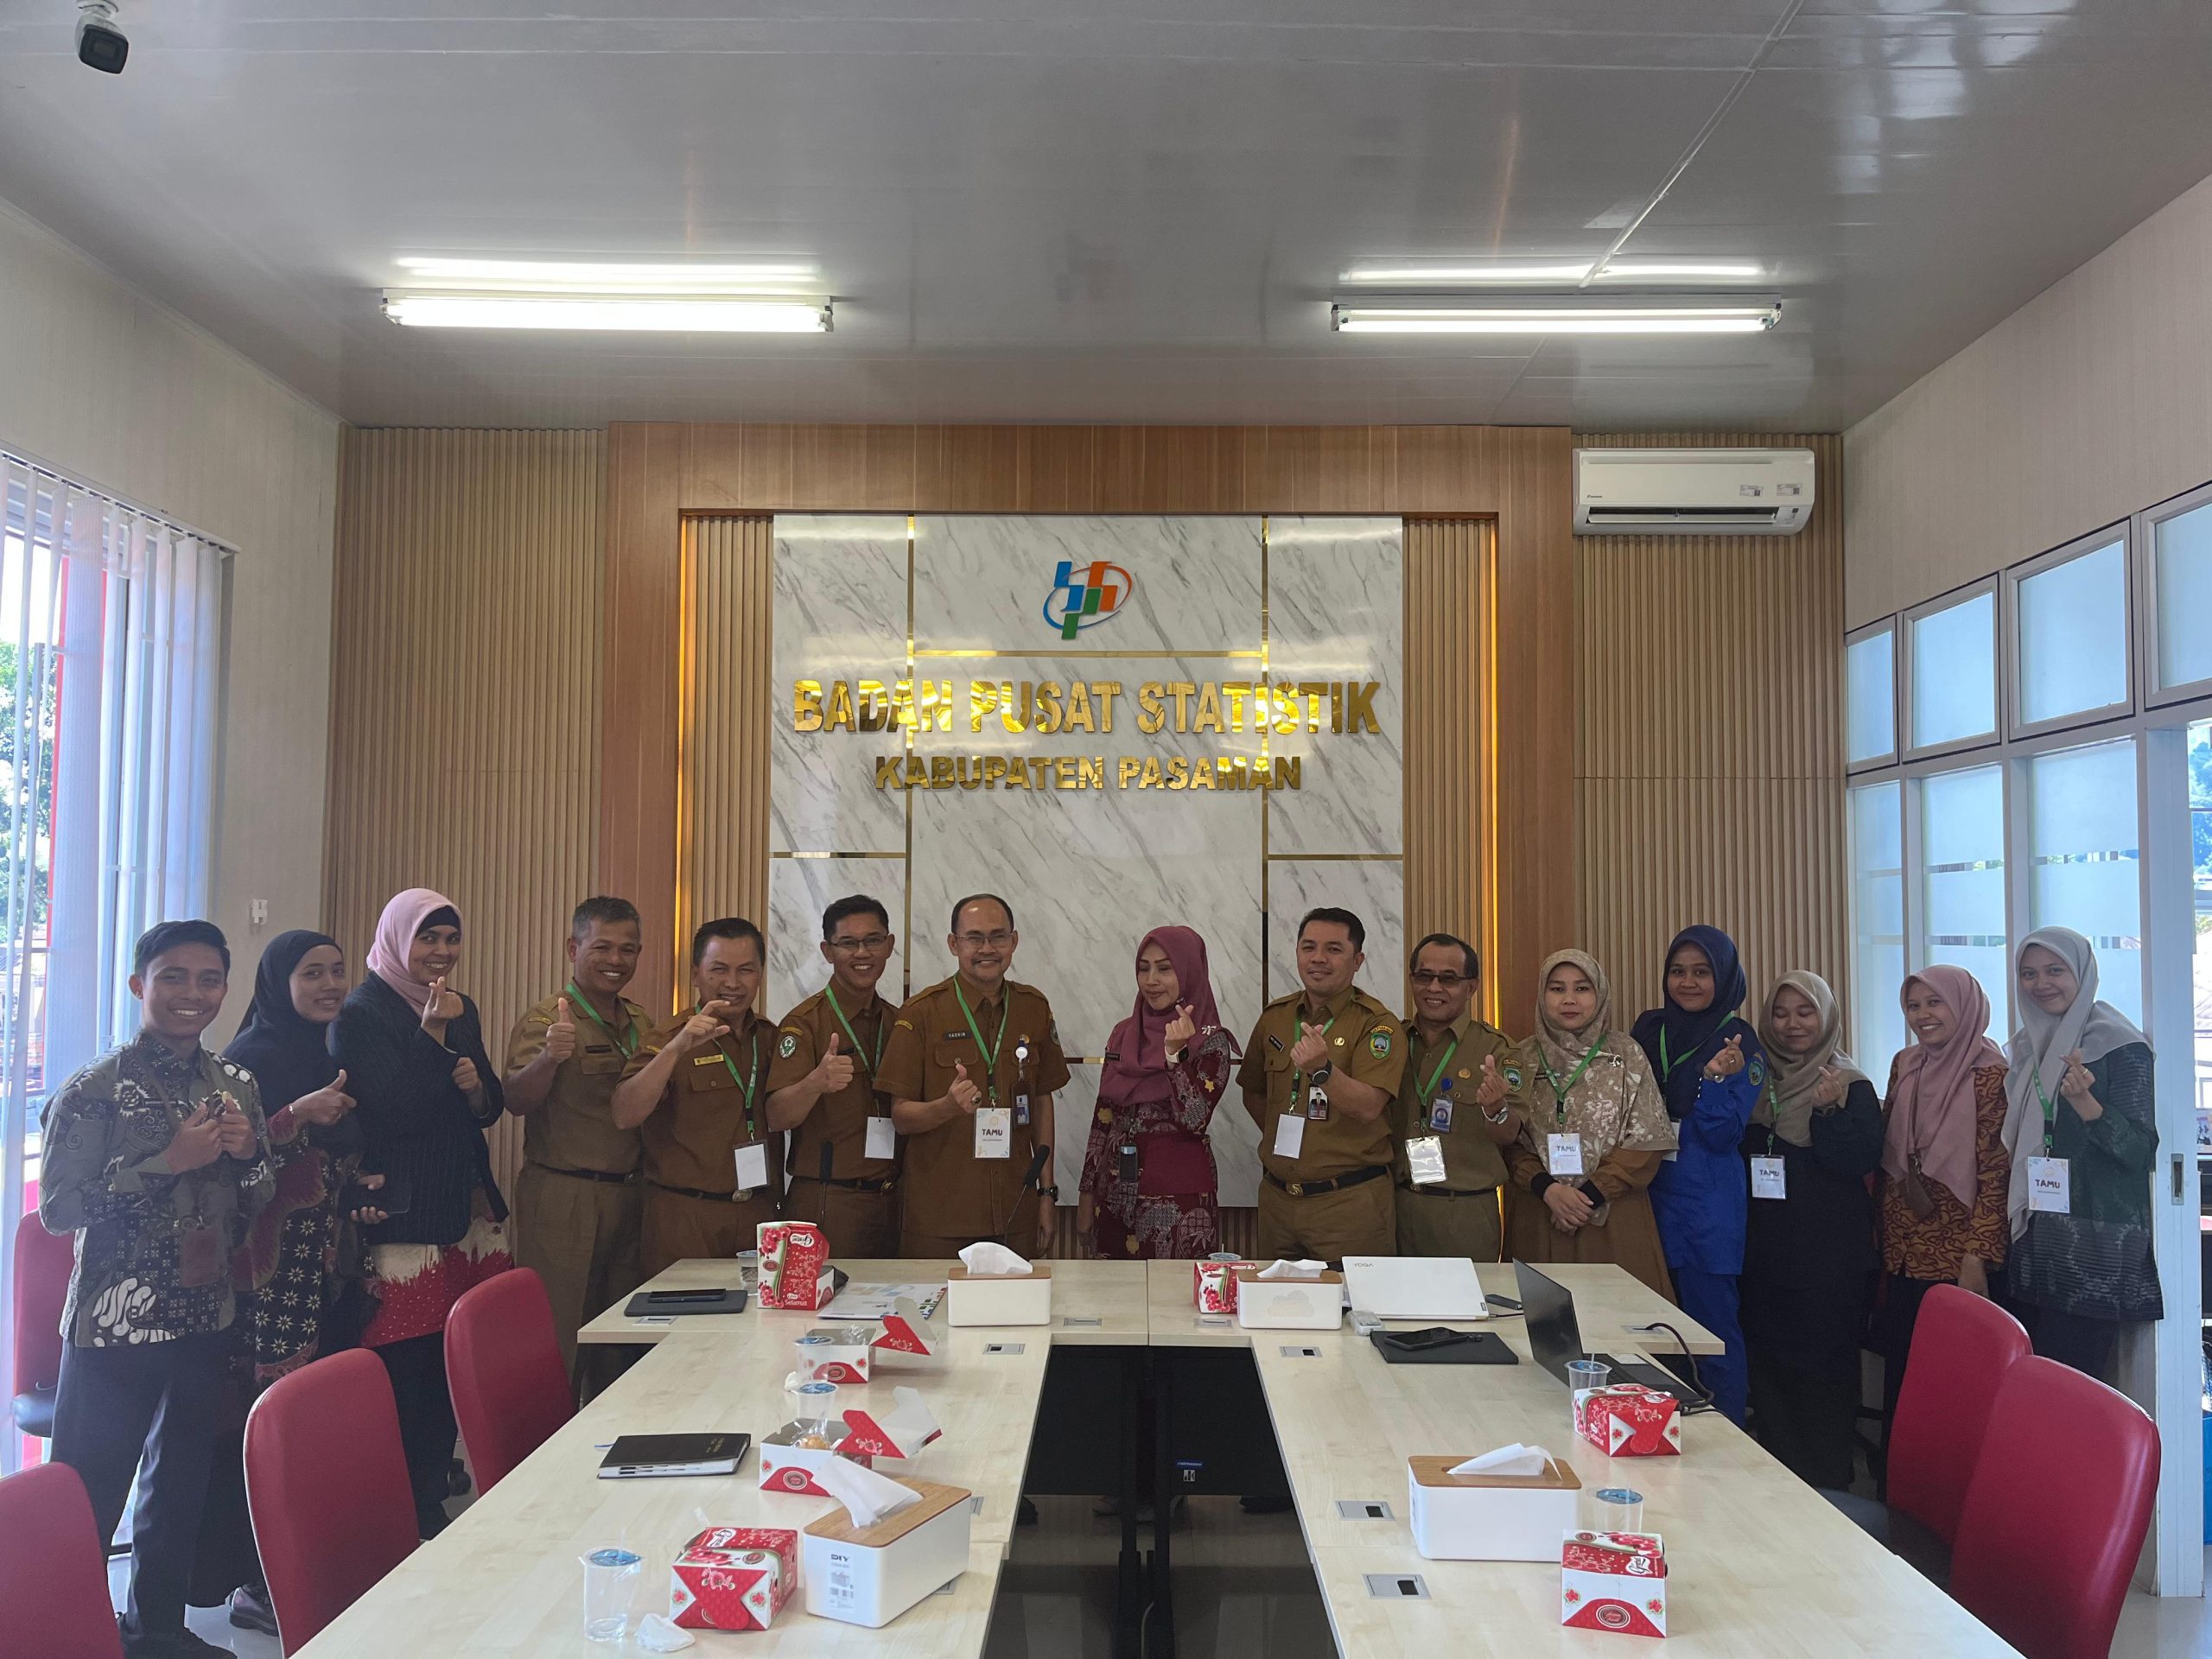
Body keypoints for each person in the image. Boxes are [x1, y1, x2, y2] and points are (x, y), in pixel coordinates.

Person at [41, 919, 274, 1657]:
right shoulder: (96, 1089)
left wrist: (248, 1156)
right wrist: (166, 1162)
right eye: (173, 976)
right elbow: (58, 1210)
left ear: (226, 989)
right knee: (86, 1494)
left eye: (209, 979)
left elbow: (261, 1194)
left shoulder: (236, 1084)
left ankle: (157, 1632)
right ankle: (64, 1639)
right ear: (140, 984)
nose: (191, 993)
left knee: (178, 1486)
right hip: (117, 1322)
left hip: (206, 1312)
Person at [206, 929, 384, 1637]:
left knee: (315, 1420)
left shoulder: (325, 1052)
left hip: (320, 1267)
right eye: (312, 973)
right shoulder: (250, 1060)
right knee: (270, 1425)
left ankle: (309, 1569)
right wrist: (293, 1117)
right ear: (279, 982)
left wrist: (359, 1189)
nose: (330, 985)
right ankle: (257, 1580)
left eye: (337, 971)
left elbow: (327, 1160)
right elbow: (228, 1168)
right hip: (269, 1277)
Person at [334, 888, 510, 1539]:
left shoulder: (460, 1006)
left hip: (462, 1209)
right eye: (428, 938)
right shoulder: (362, 1011)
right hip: (403, 1218)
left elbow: (489, 1106)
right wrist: (434, 1035)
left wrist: (476, 1087)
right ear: (397, 939)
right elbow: (395, 1111)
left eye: (451, 938)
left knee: (449, 1362)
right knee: (405, 1368)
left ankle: (434, 1495)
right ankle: (406, 1513)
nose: (441, 952)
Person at [503, 897, 651, 1399]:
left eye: (628, 949)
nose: (616, 960)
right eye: (602, 947)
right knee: (558, 1339)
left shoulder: (641, 1022)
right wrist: (548, 1057)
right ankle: (544, 1442)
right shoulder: (547, 1019)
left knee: (620, 1342)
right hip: (564, 1199)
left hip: (629, 1198)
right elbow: (515, 1099)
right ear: (573, 948)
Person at [1741, 970, 1883, 1490]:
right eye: (1781, 1014)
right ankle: (1778, 1483)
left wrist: (1826, 1111)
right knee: (1769, 1369)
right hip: (1764, 1256)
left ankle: (1828, 1488)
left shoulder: (1850, 1084)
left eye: (1806, 1012)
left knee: (1824, 1374)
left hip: (1829, 1263)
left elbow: (1858, 1160)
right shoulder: (1755, 1081)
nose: (1793, 1024)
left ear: (1826, 1017)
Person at [2001, 927, 2162, 1378]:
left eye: (2056, 971)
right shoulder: (2028, 1047)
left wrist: (2087, 1105)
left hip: (2095, 1247)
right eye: (2029, 974)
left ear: (2083, 973)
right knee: (2032, 1382)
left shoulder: (2120, 1046)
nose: (2041, 984)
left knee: (2071, 1387)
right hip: (2038, 1243)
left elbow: (2139, 1150)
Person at [880, 894, 1071, 1256]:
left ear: (1013, 942)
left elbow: (1042, 1102)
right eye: (974, 938)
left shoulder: (1033, 1008)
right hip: (940, 1220)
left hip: (1015, 1212)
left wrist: (1046, 1193)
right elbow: (900, 1117)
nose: (987, 949)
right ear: (954, 944)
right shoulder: (921, 1014)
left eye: (998, 937)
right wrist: (946, 1107)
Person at [1631, 925, 1764, 1425]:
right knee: (1649, 1328)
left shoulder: (1740, 1041)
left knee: (1711, 1331)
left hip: (1707, 1203)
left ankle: (1728, 1437)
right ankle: (1653, 1429)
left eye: (1702, 972)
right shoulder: (1650, 1028)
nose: (1687, 982)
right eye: (1678, 971)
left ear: (1723, 977)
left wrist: (1714, 1080)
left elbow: (1724, 1134)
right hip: (1648, 1193)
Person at [1872, 964, 2011, 1434]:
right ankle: (1895, 1475)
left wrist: (1977, 1257)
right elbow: (1891, 1152)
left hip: (1958, 1253)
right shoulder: (1906, 1064)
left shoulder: (1992, 1076)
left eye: (1936, 1003)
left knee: (1952, 1383)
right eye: (1913, 1005)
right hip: (1903, 1250)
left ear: (1964, 1006)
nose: (1923, 1015)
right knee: (1901, 1376)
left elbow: (1995, 1173)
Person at [1502, 949, 1676, 1299]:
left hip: (1612, 1217)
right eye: (1557, 989)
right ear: (1542, 995)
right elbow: (1509, 1142)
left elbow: (1647, 1141)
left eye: (1582, 989)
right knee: (1539, 1319)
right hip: (1541, 1212)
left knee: (1617, 1320)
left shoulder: (1626, 1054)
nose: (1569, 999)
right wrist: (1549, 1190)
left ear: (1600, 994)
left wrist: (1589, 1196)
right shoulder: (1521, 1058)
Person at [613, 917, 780, 1278]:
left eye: (746, 970)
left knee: (759, 1315)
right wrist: (676, 1049)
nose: (732, 983)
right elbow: (625, 1113)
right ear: (695, 974)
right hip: (685, 1217)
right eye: (719, 970)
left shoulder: (769, 1038)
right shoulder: (669, 1037)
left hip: (758, 1214)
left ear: (760, 974)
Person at [1236, 907, 1402, 1262]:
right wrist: (1291, 1143)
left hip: (1348, 1204)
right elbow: (1253, 1092)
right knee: (1276, 1297)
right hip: (1278, 1201)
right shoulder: (1276, 1017)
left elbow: (1369, 1107)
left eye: (1334, 949)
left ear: (1357, 961)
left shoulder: (1377, 1025)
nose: (1318, 958)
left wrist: (1322, 1070)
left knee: (1350, 1298)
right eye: (1308, 947)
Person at [1077, 925, 1236, 1259]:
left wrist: (1174, 1056)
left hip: (1178, 1201)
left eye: (1165, 969)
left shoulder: (1210, 1041)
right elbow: (1103, 1118)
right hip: (1114, 1196)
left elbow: (1194, 1119)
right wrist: (1086, 1195)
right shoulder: (1123, 1034)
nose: (1151, 980)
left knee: (1174, 1291)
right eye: (1143, 968)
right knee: (1111, 1290)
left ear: (1189, 972)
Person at [764, 896, 904, 1257]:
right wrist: (815, 1083)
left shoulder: (899, 1022)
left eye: (873, 940)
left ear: (889, 945)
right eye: (848, 943)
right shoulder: (805, 1023)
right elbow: (776, 1116)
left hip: (893, 1199)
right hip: (829, 1200)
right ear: (828, 951)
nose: (863, 953)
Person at [1391, 932, 1518, 1261]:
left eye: (1448, 979)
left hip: (1464, 1213)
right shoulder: (1392, 1042)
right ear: (1411, 979)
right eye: (1424, 976)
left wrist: (1496, 1108)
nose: (1434, 988)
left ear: (1471, 987)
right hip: (1394, 1206)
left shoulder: (1496, 1049)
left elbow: (1510, 1133)